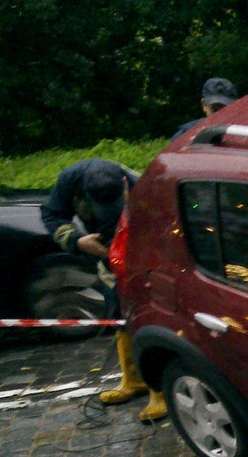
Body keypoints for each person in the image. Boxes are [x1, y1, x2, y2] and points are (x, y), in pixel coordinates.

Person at [40, 158, 164, 422]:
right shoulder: (70, 180)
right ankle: (133, 381)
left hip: (142, 254)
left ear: (123, 187)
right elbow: (51, 214)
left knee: (145, 318)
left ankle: (160, 390)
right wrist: (77, 241)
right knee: (118, 315)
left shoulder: (142, 183)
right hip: (106, 254)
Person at [172, 77, 239, 141]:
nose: (220, 115)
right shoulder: (185, 136)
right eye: (215, 109)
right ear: (204, 105)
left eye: (225, 110)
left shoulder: (243, 133)